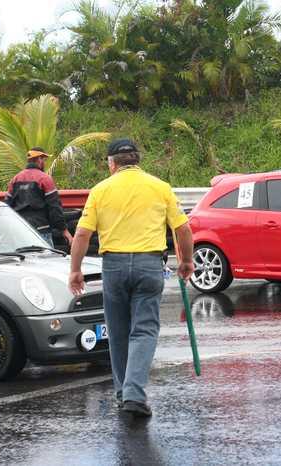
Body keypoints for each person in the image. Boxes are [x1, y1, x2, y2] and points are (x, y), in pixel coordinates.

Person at [68, 138, 195, 418]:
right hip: (149, 264)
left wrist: (75, 270)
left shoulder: (101, 190)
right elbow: (183, 229)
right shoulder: (159, 187)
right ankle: (134, 394)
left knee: (117, 332)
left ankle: (123, 393)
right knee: (144, 330)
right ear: (137, 160)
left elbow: (81, 234)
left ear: (111, 164)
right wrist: (186, 261)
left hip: (112, 265)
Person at [5, 147, 73, 247]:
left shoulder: (15, 179)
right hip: (41, 230)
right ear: (39, 159)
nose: (44, 162)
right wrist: (64, 230)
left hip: (20, 230)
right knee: (46, 260)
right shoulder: (44, 179)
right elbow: (54, 207)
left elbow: (7, 206)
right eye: (44, 159)